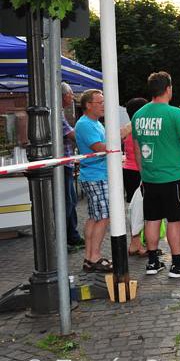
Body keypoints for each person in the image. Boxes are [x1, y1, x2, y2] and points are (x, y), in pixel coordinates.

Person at [131, 72, 180, 277]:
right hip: (173, 176)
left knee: (152, 219)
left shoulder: (138, 115)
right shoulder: (175, 113)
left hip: (150, 176)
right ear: (168, 88)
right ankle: (178, 264)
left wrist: (143, 174)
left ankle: (153, 262)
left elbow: (136, 149)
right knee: (174, 220)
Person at [75, 88, 132, 273]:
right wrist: (122, 134)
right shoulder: (86, 124)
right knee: (104, 217)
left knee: (94, 217)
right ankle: (95, 257)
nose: (103, 106)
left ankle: (90, 257)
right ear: (88, 105)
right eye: (100, 103)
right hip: (96, 176)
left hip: (96, 175)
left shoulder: (95, 123)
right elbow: (100, 148)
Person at [123, 97, 148, 257]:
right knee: (141, 209)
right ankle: (135, 243)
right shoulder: (138, 128)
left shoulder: (128, 129)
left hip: (129, 171)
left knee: (135, 208)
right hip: (139, 172)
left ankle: (136, 242)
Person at [61, 83, 84, 251]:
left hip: (66, 163)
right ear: (63, 96)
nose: (72, 98)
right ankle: (64, 240)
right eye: (70, 95)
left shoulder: (59, 112)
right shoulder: (55, 112)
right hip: (61, 164)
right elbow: (70, 134)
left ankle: (72, 236)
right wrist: (87, 135)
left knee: (71, 200)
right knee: (67, 202)